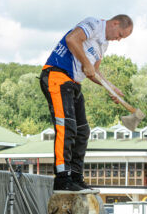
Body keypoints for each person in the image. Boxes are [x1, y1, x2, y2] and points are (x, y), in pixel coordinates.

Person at [40, 15, 133, 192]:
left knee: (82, 130)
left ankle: (75, 176)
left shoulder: (103, 45)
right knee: (66, 126)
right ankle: (62, 177)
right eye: (120, 34)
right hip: (57, 75)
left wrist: (111, 88)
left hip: (74, 83)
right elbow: (72, 39)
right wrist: (85, 62)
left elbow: (93, 72)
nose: (119, 39)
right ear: (114, 23)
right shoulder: (93, 24)